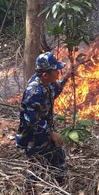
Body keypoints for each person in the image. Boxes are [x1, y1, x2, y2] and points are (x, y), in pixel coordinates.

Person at [16, 52, 71, 184]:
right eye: (56, 70)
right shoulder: (34, 92)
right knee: (37, 170)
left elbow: (55, 90)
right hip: (34, 138)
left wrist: (67, 76)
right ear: (46, 75)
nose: (58, 72)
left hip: (46, 133)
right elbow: (32, 120)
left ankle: (58, 188)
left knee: (59, 162)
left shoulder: (46, 83)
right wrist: (51, 133)